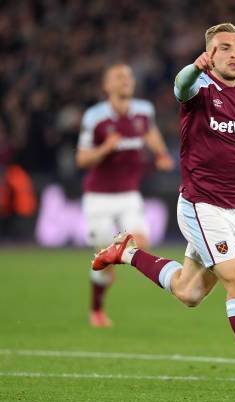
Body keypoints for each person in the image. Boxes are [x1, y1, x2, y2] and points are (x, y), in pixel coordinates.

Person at [92, 23, 235, 398]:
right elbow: (179, 86)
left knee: (189, 293)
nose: (234, 53)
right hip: (199, 204)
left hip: (233, 208)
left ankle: (126, 253)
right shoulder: (200, 85)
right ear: (211, 53)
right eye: (224, 48)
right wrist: (195, 67)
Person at [77, 63, 174, 328]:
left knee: (141, 242)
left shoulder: (144, 111)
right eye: (118, 77)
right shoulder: (95, 118)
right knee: (103, 266)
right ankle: (96, 309)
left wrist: (162, 153)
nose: (125, 81)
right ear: (107, 85)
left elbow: (149, 131)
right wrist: (105, 148)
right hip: (98, 198)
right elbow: (82, 158)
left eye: (129, 76)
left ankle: (118, 255)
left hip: (129, 194)